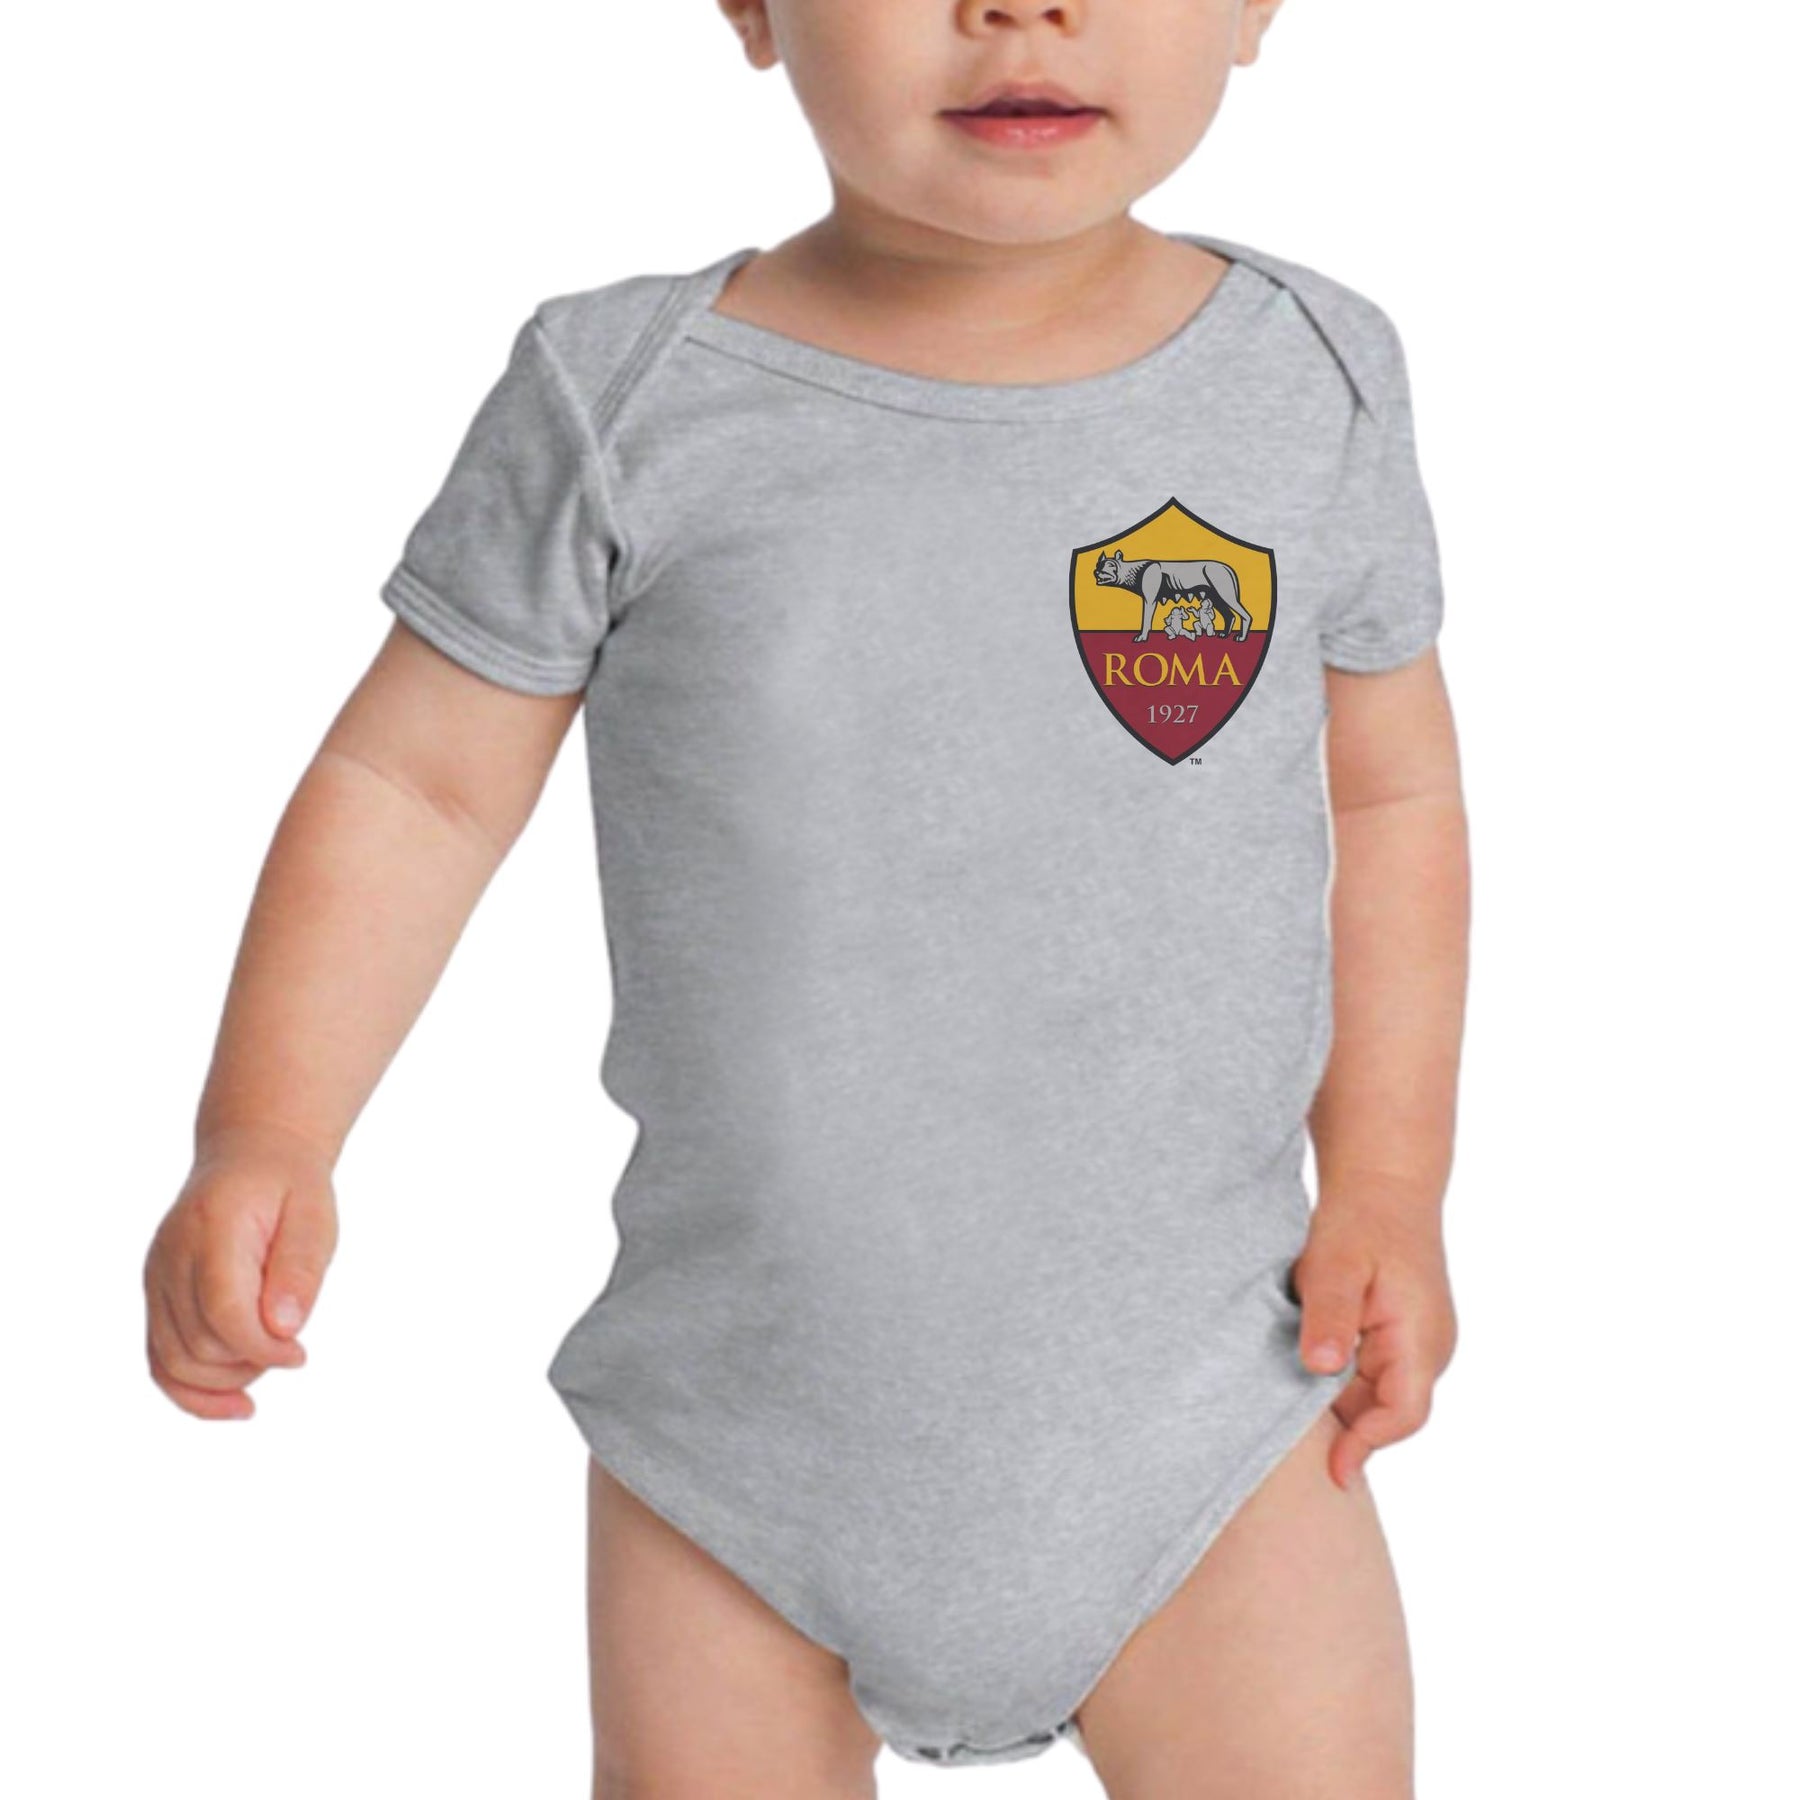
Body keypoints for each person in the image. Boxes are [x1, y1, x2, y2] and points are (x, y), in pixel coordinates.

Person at [142, 1, 1469, 1792]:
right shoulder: (625, 395)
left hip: (1214, 1411)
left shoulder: (1310, 373)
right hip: (734, 1446)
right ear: (753, 6)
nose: (1021, 6)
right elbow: (416, 789)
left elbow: (1389, 798)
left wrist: (1390, 1181)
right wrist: (266, 1130)